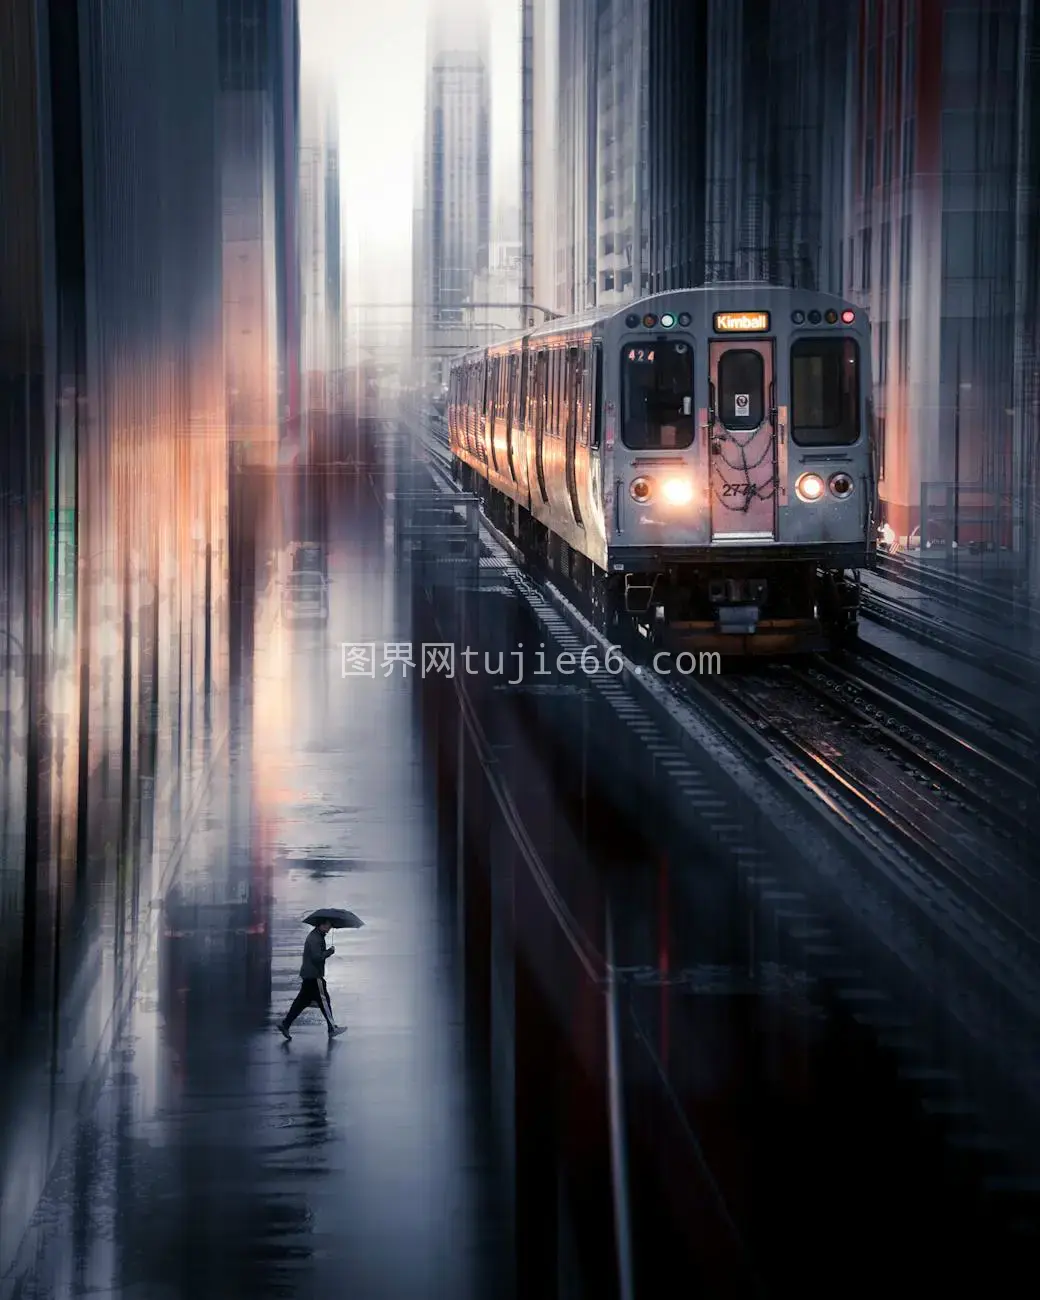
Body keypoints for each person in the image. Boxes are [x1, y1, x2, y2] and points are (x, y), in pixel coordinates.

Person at [277, 920, 345, 1040]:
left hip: (309, 974)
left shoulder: (317, 935)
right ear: (321, 924)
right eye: (328, 926)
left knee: (301, 1002)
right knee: (324, 1001)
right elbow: (316, 957)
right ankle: (332, 1028)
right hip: (314, 975)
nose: (329, 929)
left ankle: (285, 1024)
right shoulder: (315, 938)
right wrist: (329, 952)